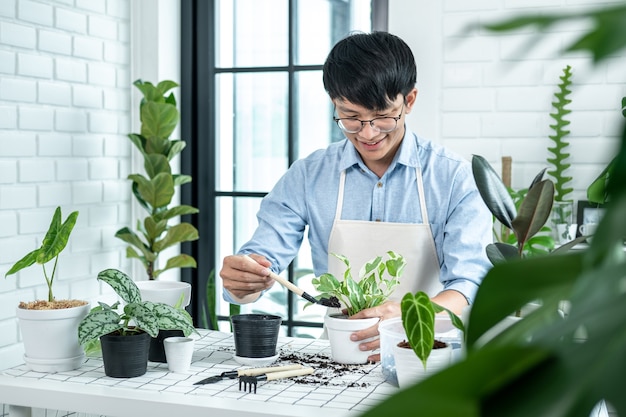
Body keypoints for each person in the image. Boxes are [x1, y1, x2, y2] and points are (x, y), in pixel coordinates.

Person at [219, 31, 493, 362]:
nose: (367, 133)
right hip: (340, 353)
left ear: (409, 100)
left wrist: (409, 315)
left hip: (426, 355)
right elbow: (264, 256)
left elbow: (470, 284)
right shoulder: (309, 175)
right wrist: (244, 277)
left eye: (382, 117)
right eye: (350, 117)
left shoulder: (452, 177)